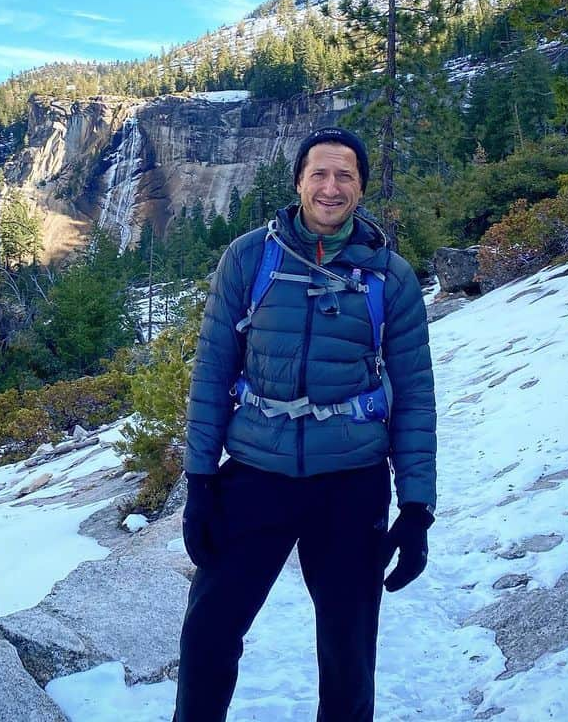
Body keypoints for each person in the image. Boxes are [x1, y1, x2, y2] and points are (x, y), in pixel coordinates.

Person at [174, 127, 437, 722]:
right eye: (319, 173)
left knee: (348, 655)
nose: (330, 186)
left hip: (351, 483)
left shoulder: (391, 278)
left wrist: (417, 507)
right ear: (297, 182)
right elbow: (212, 371)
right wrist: (199, 482)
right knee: (208, 636)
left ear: (361, 188)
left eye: (345, 175)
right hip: (255, 476)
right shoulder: (248, 258)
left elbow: (416, 396)